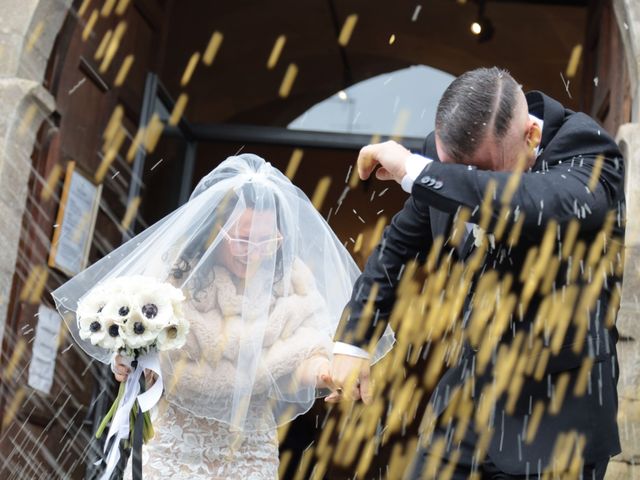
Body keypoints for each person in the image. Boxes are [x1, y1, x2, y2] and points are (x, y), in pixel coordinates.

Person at [327, 67, 625, 479]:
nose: (456, 180)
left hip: (558, 422)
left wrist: (421, 171)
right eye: (450, 167)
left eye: (481, 169)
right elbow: (398, 246)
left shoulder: (586, 151)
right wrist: (354, 342)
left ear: (531, 137)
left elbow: (538, 204)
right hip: (465, 407)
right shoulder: (441, 155)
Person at [53, 154, 394, 479]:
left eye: (267, 240)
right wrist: (128, 360)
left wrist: (326, 372)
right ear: (217, 231)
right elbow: (140, 347)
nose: (255, 253)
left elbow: (298, 356)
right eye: (243, 240)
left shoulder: (292, 282)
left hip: (247, 452)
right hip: (173, 445)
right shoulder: (175, 274)